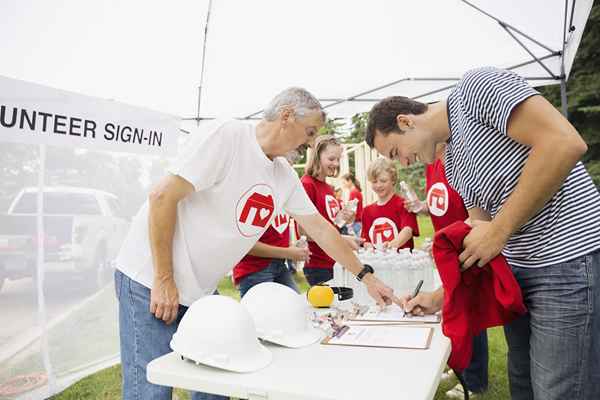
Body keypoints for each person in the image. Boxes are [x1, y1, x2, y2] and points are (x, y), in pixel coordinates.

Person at [114, 87, 398, 400]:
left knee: (216, 387)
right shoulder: (229, 136)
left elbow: (322, 229)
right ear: (287, 116)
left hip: (198, 291)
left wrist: (367, 277)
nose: (309, 144)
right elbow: (162, 197)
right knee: (150, 392)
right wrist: (164, 278)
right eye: (310, 132)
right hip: (149, 279)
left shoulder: (283, 175)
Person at [365, 67, 600, 400]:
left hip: (565, 261)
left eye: (394, 152)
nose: (402, 163)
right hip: (519, 273)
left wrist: (500, 229)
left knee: (560, 390)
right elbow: (480, 241)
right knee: (524, 386)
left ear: (406, 122)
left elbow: (563, 142)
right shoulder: (453, 162)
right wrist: (440, 297)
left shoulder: (476, 88)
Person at [405, 143, 488, 399]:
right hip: (448, 250)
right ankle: (460, 365)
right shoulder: (431, 164)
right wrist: (424, 208)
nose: (407, 159)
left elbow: (475, 211)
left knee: (471, 313)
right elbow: (443, 205)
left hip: (466, 247)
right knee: (455, 309)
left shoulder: (460, 157)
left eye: (400, 151)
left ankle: (475, 379)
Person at [300, 135, 360, 286]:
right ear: (317, 156)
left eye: (338, 159)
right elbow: (304, 231)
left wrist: (344, 217)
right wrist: (344, 240)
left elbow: (331, 225)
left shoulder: (328, 187)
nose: (336, 164)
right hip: (318, 265)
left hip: (334, 261)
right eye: (331, 159)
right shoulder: (307, 184)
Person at [233, 211, 308, 297]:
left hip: (280, 265)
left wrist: (293, 247)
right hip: (255, 269)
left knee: (296, 305)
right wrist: (288, 252)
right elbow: (245, 244)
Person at [361, 158, 419, 250]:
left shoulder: (405, 204)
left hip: (402, 261)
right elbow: (366, 240)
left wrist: (391, 245)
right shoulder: (367, 211)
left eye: (383, 181)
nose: (378, 185)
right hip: (378, 261)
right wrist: (369, 247)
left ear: (392, 180)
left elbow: (408, 230)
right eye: (374, 182)